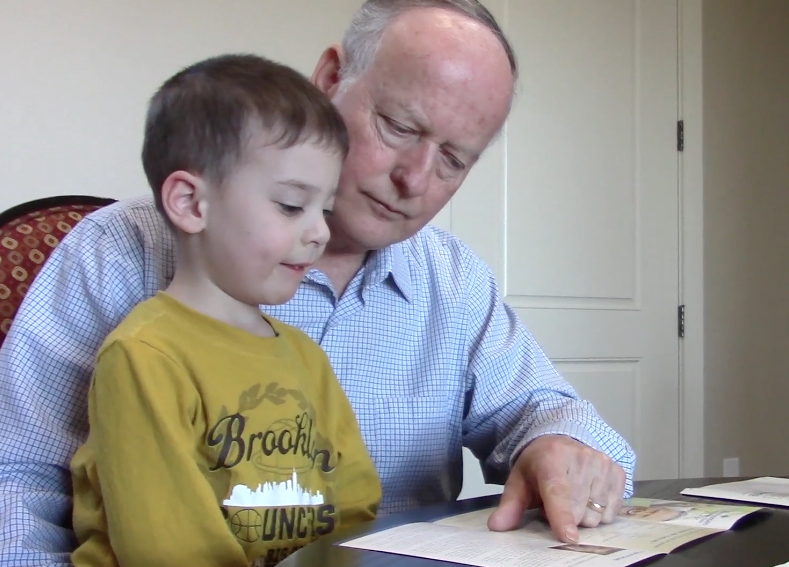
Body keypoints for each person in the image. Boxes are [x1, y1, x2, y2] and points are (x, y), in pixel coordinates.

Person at [0, 1, 636, 564]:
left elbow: (544, 409)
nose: (415, 180)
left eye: (452, 159)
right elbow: (16, 482)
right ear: (332, 78)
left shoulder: (454, 280)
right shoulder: (119, 252)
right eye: (400, 127)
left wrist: (560, 446)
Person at [69, 54, 381, 567]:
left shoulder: (304, 356)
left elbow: (355, 505)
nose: (320, 232)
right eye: (291, 205)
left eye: (325, 209)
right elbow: (170, 550)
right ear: (192, 204)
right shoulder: (143, 357)